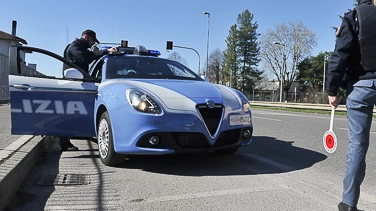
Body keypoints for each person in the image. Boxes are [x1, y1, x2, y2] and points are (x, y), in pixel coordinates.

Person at [326, 0, 376, 210]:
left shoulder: (356, 16)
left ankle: (349, 204)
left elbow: (341, 55)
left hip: (361, 85)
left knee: (357, 146)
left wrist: (332, 90)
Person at [60, 29, 117, 151]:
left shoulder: (82, 48)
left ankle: (81, 133)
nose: (92, 44)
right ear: (85, 37)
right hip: (72, 85)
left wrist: (103, 52)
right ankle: (64, 143)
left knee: (78, 113)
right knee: (68, 114)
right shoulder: (74, 47)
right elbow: (84, 59)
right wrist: (100, 52)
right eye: (92, 41)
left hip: (81, 85)